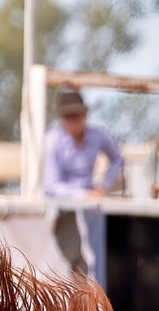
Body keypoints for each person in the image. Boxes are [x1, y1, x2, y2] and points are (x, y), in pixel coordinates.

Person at [42, 88, 124, 288]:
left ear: (85, 114)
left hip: (91, 208)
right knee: (69, 263)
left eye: (77, 114)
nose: (74, 120)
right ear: (62, 118)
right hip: (64, 210)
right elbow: (51, 185)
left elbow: (118, 160)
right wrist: (85, 194)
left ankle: (95, 306)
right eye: (69, 116)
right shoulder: (53, 140)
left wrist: (103, 186)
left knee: (96, 260)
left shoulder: (99, 135)